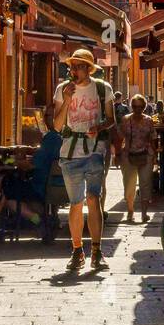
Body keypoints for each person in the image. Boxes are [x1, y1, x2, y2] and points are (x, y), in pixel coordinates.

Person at [53, 48, 115, 272]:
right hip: (70, 153)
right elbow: (57, 125)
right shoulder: (63, 89)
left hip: (95, 151)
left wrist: (99, 127)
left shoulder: (102, 88)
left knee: (93, 199)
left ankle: (97, 252)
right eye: (72, 66)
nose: (75, 70)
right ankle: (77, 251)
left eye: (79, 66)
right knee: (76, 203)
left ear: (89, 69)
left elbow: (111, 119)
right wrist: (68, 99)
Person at [119, 94, 157, 224]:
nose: (137, 109)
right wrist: (117, 154)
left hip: (146, 155)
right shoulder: (125, 119)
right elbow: (120, 137)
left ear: (144, 107)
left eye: (140, 107)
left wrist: (155, 156)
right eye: (134, 106)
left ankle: (144, 213)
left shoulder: (149, 120)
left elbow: (153, 138)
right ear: (131, 107)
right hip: (128, 155)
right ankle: (130, 210)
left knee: (145, 184)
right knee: (129, 184)